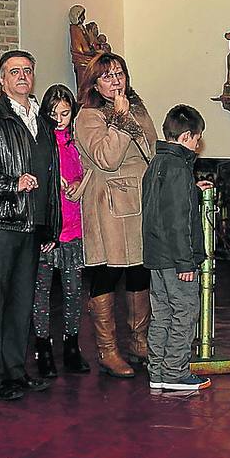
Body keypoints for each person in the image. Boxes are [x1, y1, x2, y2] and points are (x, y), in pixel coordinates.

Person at [0, 50, 58, 400]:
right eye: (14, 71)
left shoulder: (43, 120)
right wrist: (11, 184)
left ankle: (16, 372)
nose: (22, 76)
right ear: (1, 80)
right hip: (1, 223)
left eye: (27, 70)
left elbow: (52, 175)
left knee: (22, 302)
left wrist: (50, 224)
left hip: (34, 225)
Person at [72, 52, 157, 378]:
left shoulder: (136, 106)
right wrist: (120, 121)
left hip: (140, 196)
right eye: (107, 76)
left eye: (119, 73)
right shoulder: (89, 116)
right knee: (108, 270)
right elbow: (107, 158)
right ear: (94, 82)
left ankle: (139, 341)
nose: (116, 81)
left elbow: (150, 147)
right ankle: (108, 350)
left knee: (139, 270)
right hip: (109, 202)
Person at [142, 104, 212, 392]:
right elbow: (177, 220)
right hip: (176, 259)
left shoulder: (157, 163)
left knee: (162, 314)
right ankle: (175, 373)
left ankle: (157, 370)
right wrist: (186, 262)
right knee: (184, 312)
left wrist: (193, 190)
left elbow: (160, 205)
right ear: (186, 137)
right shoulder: (180, 170)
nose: (198, 145)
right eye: (197, 139)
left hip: (157, 256)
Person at [32, 84, 90, 378]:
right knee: (41, 290)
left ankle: (72, 345)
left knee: (73, 290)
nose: (59, 119)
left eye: (65, 113)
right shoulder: (40, 141)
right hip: (50, 228)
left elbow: (91, 171)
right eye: (53, 113)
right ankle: (42, 346)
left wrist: (81, 184)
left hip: (75, 226)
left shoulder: (77, 141)